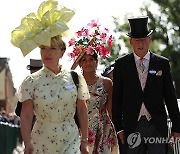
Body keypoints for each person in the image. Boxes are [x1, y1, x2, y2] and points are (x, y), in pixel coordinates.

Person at [11, 1, 90, 154]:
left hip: (71, 139)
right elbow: (26, 115)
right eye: (43, 48)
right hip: (41, 142)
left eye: (53, 48)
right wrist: (27, 143)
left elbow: (81, 110)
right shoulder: (31, 81)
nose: (47, 53)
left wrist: (84, 141)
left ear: (62, 52)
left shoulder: (75, 78)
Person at [112, 16, 180, 154]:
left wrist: (177, 128)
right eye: (137, 40)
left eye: (143, 39)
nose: (140, 43)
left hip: (157, 125)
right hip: (132, 126)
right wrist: (119, 128)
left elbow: (170, 97)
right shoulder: (121, 65)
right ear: (131, 42)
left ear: (149, 39)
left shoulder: (162, 63)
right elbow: (117, 99)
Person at [69, 20, 119, 154]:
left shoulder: (107, 83)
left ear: (97, 62)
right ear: (79, 63)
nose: (88, 63)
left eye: (91, 59)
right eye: (83, 60)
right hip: (81, 129)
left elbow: (110, 111)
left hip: (103, 128)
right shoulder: (74, 82)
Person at [102, 64, 127, 154]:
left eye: (114, 75)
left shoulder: (128, 93)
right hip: (109, 132)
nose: (112, 79)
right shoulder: (103, 95)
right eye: (109, 77)